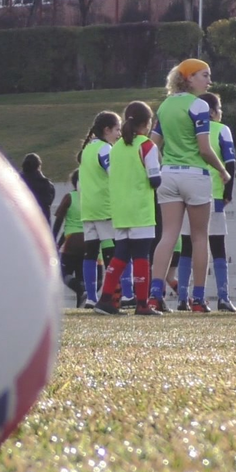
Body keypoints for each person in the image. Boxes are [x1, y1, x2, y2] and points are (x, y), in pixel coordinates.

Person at [148, 59, 231, 313]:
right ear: (189, 78)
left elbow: (153, 144)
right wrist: (223, 170)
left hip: (169, 175)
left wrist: (164, 166)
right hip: (195, 176)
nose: (209, 81)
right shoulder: (198, 106)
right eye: (204, 75)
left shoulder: (165, 106)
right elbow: (205, 149)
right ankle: (198, 298)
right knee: (199, 237)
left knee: (168, 236)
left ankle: (154, 294)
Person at [95, 101, 163, 316]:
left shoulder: (116, 149)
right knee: (142, 256)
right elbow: (154, 179)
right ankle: (142, 304)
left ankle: (105, 299)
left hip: (120, 210)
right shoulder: (147, 146)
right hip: (140, 210)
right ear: (147, 124)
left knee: (120, 255)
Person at [174, 92, 236, 311]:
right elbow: (230, 162)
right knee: (217, 246)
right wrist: (228, 191)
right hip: (214, 194)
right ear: (212, 111)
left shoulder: (191, 129)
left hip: (187, 194)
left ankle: (182, 297)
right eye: (219, 109)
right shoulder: (222, 130)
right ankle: (223, 297)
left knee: (187, 247)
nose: (221, 113)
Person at [77, 111, 123, 310]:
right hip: (105, 206)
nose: (119, 134)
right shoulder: (105, 149)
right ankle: (111, 294)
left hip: (87, 207)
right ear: (107, 130)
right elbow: (114, 175)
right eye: (117, 129)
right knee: (111, 251)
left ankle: (90, 297)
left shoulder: (87, 149)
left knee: (90, 252)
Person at [52, 170, 86, 307]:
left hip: (72, 240)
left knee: (63, 272)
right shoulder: (91, 197)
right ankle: (81, 303)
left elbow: (60, 220)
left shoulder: (69, 197)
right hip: (89, 240)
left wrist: (54, 240)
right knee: (81, 274)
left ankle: (79, 288)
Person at [20, 153, 56, 228]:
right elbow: (49, 201)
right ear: (39, 166)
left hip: (23, 223)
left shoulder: (18, 181)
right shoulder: (47, 184)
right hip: (42, 225)